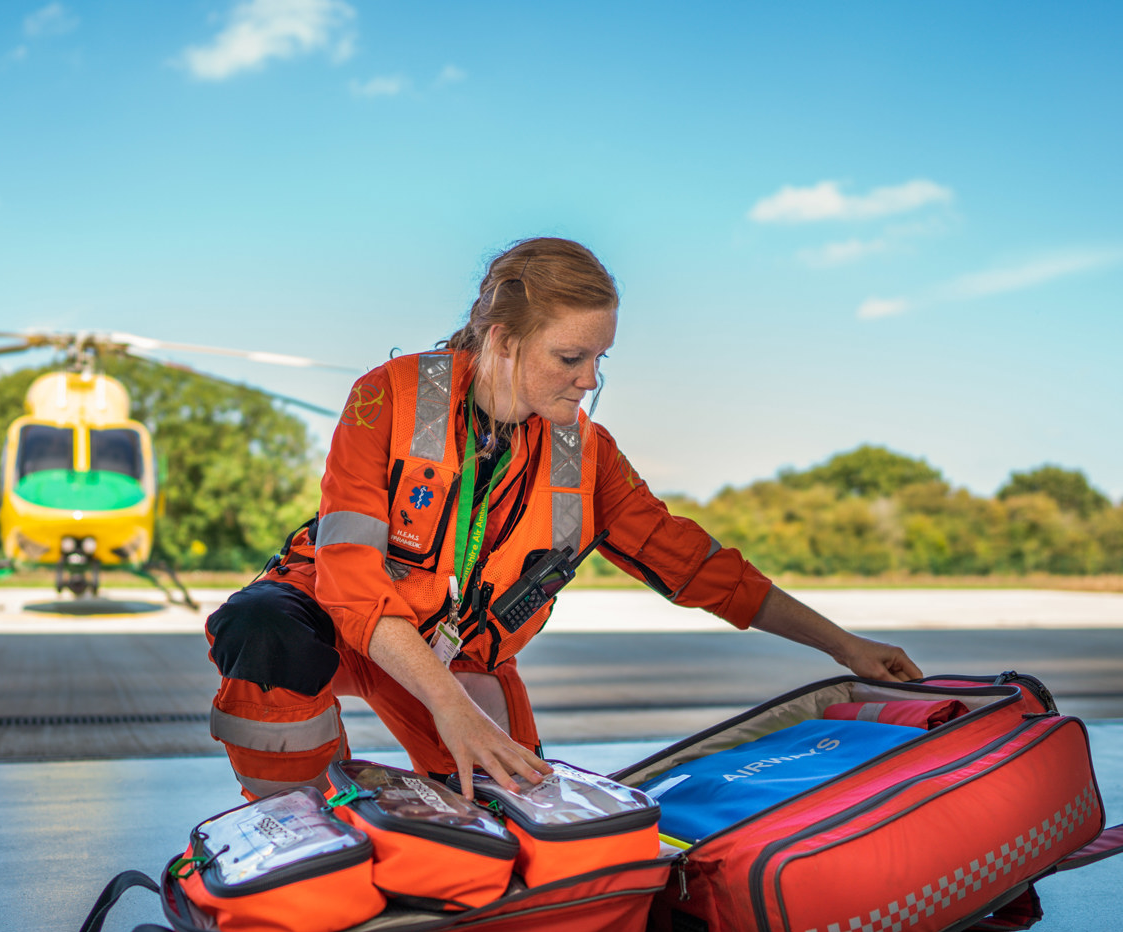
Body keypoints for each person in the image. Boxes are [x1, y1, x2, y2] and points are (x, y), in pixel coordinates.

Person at [204, 237, 921, 800]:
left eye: (599, 359)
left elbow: (700, 568)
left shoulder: (588, 455)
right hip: (336, 622)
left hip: (456, 658)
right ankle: (293, 830)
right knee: (262, 623)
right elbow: (354, 582)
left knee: (522, 822)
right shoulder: (386, 398)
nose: (589, 381)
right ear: (503, 341)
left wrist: (842, 644)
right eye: (571, 357)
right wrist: (451, 707)